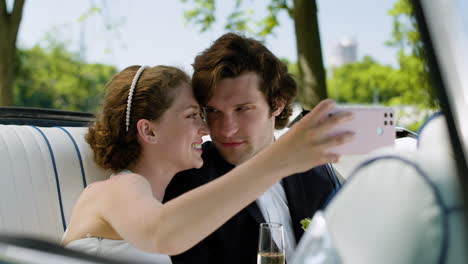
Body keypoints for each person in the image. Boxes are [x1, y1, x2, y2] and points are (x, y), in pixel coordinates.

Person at [61, 65, 353, 263]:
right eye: (192, 116)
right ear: (149, 131)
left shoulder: (168, 200)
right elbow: (161, 234)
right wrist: (277, 161)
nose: (206, 127)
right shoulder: (119, 188)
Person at [163, 32, 344, 264]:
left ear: (277, 103)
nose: (226, 130)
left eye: (242, 109)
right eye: (214, 111)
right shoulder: (188, 181)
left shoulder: (318, 175)